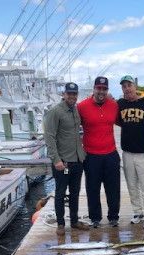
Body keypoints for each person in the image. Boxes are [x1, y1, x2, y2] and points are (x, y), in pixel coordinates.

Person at [43, 82, 89, 235]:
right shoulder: (55, 111)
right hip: (63, 162)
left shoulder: (75, 110)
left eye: (74, 94)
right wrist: (56, 159)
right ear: (64, 94)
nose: (72, 96)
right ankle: (61, 223)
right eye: (69, 93)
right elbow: (49, 137)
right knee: (61, 193)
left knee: (75, 192)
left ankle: (74, 221)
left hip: (77, 159)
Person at [77, 76, 120, 228]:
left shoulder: (114, 105)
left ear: (107, 90)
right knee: (93, 188)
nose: (101, 91)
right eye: (98, 88)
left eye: (104, 89)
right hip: (91, 155)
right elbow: (72, 128)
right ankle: (95, 218)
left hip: (111, 153)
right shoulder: (82, 106)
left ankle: (113, 217)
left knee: (113, 188)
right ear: (94, 89)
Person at [117, 75, 144, 229]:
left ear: (135, 86)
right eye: (124, 86)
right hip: (127, 152)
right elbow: (118, 122)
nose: (127, 89)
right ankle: (137, 212)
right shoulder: (120, 104)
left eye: (129, 85)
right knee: (132, 185)